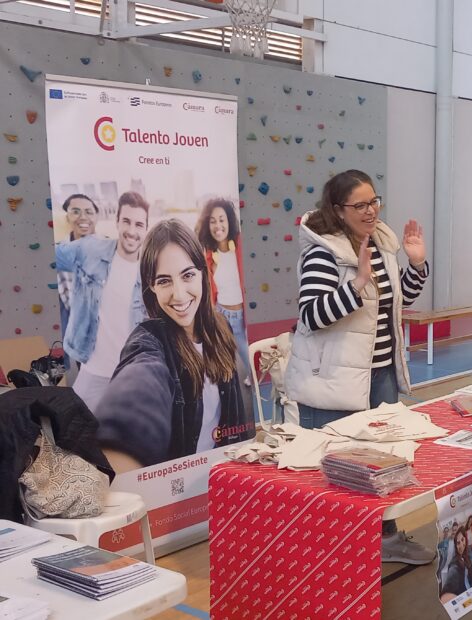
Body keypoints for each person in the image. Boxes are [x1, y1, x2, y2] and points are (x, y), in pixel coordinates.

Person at [284, 169, 434, 565]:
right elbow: (312, 316)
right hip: (334, 381)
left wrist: (416, 266)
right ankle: (330, 551)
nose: (371, 210)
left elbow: (393, 304)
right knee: (335, 469)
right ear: (338, 209)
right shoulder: (322, 252)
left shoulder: (380, 244)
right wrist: (355, 285)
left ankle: (383, 541)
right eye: (360, 205)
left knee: (379, 465)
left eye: (374, 201)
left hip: (379, 375)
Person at [92, 220, 254, 473]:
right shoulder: (149, 340)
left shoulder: (221, 327)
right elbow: (140, 382)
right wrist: (122, 439)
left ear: (202, 273)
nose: (178, 295)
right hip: (177, 498)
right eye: (164, 281)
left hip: (225, 478)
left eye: (187, 275)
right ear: (152, 287)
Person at [55, 191, 149, 412]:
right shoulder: (90, 249)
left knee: (126, 439)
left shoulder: (150, 267)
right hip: (93, 370)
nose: (132, 231)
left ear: (146, 228)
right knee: (76, 430)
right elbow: (51, 256)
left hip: (132, 374)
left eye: (139, 224)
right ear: (116, 222)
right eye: (126, 221)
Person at [195, 198, 251, 384]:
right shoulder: (209, 255)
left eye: (222, 219)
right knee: (223, 365)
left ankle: (256, 381)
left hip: (242, 313)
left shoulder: (241, 246)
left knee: (248, 356)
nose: (218, 225)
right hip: (221, 313)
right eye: (212, 221)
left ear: (229, 221)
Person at [57, 194, 100, 369]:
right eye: (76, 211)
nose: (83, 217)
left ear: (96, 216)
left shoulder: (112, 247)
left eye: (89, 212)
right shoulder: (58, 253)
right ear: (67, 217)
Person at [439, 527, 472, 603]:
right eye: (458, 543)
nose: (461, 545)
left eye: (462, 540)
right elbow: (446, 593)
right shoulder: (455, 564)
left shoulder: (468, 556)